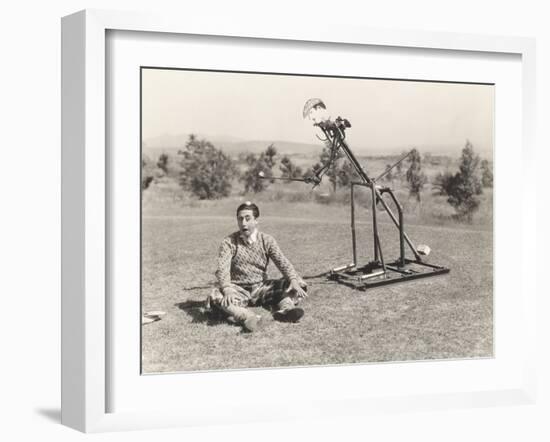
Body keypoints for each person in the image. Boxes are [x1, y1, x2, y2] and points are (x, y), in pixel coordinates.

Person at [207, 201, 308, 332]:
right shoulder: (228, 242)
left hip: (261, 288)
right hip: (237, 289)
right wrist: (227, 289)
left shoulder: (267, 240)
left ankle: (286, 310)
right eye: (240, 219)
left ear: (256, 221)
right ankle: (247, 317)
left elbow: (282, 261)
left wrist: (293, 281)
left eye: (248, 218)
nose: (243, 223)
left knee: (296, 282)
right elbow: (222, 269)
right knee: (216, 296)